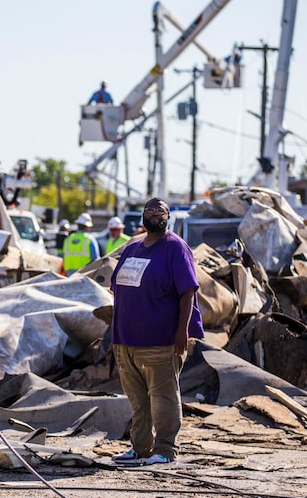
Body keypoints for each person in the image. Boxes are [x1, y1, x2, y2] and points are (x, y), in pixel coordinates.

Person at [109, 197, 204, 466]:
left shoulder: (175, 248)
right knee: (138, 401)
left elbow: (188, 292)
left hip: (160, 340)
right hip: (125, 339)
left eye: (159, 210)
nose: (153, 214)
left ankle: (164, 450)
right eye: (149, 210)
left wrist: (181, 332)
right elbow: (117, 288)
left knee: (163, 399)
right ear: (143, 216)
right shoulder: (132, 248)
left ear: (168, 216)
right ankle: (140, 448)